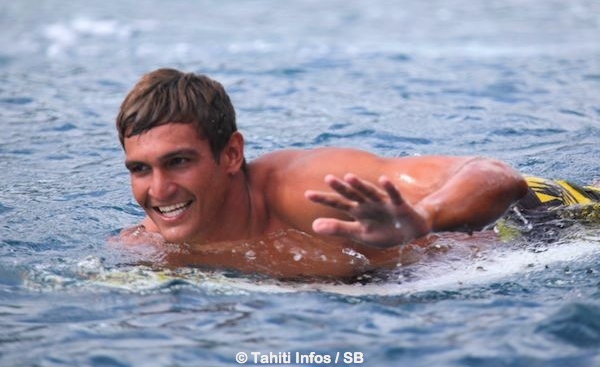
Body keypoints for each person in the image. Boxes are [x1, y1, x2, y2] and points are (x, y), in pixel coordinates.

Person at [114, 68, 528, 279]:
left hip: (530, 225)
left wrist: (423, 219)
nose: (159, 190)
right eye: (140, 169)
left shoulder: (310, 189)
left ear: (232, 154)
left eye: (179, 162)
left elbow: (498, 176)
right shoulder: (147, 250)